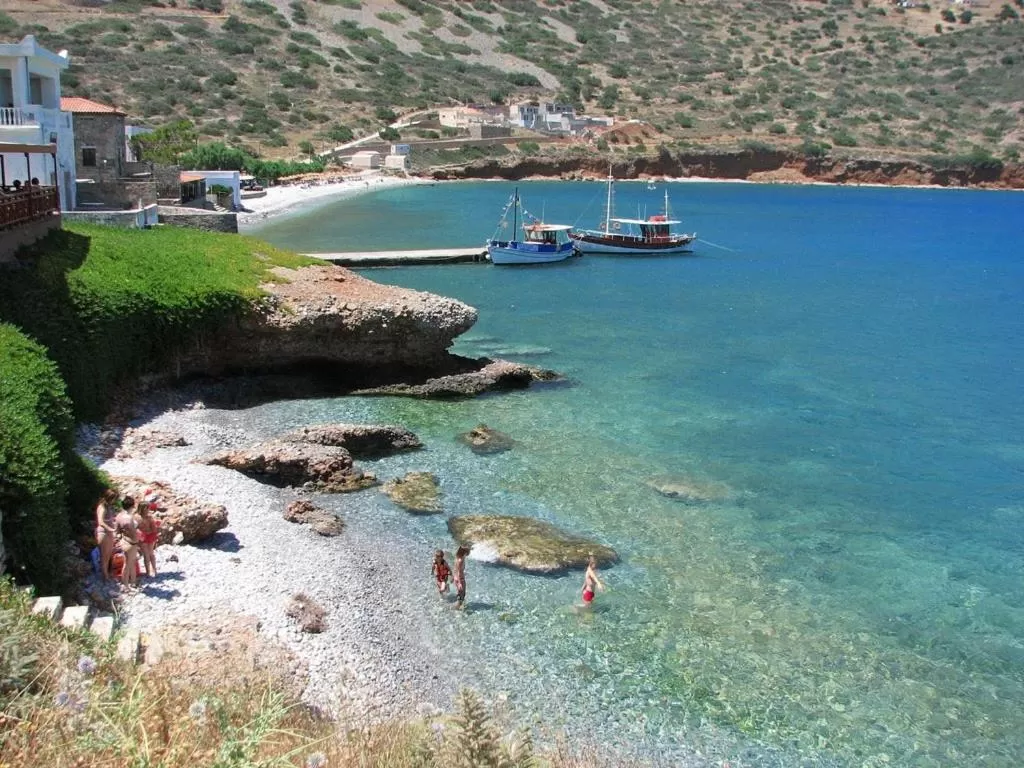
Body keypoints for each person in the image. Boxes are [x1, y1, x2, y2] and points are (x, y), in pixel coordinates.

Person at [114, 496, 141, 589]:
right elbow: (134, 533)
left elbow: (116, 531)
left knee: (131, 562)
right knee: (128, 564)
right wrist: (138, 541)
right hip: (131, 542)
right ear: (132, 506)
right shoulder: (129, 518)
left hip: (123, 541)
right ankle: (125, 585)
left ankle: (133, 582)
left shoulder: (119, 516)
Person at [135, 491, 161, 578]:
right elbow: (154, 529)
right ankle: (153, 570)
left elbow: (135, 528)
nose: (148, 510)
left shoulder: (136, 517)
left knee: (148, 554)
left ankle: (149, 572)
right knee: (150, 554)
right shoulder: (148, 517)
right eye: (147, 508)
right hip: (148, 536)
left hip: (144, 537)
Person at [93, 489, 119, 580]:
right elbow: (101, 521)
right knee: (104, 555)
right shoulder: (102, 507)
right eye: (114, 499)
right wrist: (111, 529)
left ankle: (107, 573)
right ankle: (105, 576)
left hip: (109, 533)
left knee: (109, 554)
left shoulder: (108, 507)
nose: (115, 501)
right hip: (103, 533)